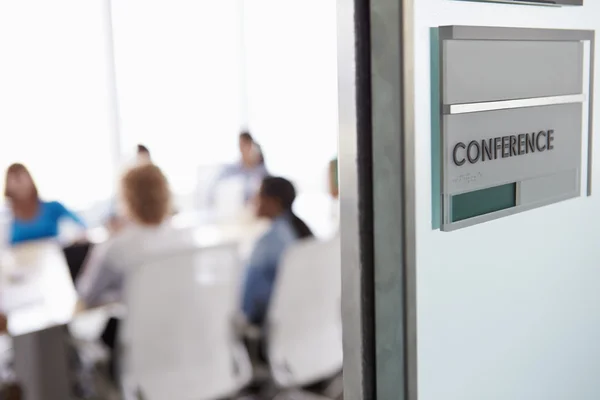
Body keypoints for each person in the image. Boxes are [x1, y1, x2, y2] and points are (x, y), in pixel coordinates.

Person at [77, 163, 179, 382]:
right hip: (177, 343)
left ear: (127, 200)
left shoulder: (115, 247)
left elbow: (86, 295)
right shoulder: (181, 239)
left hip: (136, 351)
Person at [241, 176, 313, 326]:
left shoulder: (267, 242)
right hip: (302, 322)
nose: (253, 200)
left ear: (273, 202)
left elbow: (247, 303)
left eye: (258, 195)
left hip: (270, 327)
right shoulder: (300, 232)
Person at [4, 163, 86, 245]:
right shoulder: (6, 217)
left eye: (21, 178)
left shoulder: (53, 207)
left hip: (54, 255)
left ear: (31, 181)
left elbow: (81, 226)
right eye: (14, 180)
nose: (19, 185)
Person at [210, 131, 268, 205]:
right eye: (241, 145)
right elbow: (214, 187)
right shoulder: (230, 169)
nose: (244, 149)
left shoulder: (261, 170)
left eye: (247, 145)